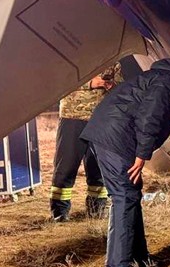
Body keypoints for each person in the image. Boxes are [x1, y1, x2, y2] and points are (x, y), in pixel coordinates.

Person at [80, 54, 170, 267]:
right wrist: (142, 154)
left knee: (131, 194)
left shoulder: (167, 79)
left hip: (115, 134)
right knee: (124, 196)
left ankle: (138, 260)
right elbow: (149, 117)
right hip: (115, 137)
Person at [50, 63, 123, 222]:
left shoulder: (113, 59)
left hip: (100, 119)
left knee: (98, 167)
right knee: (66, 165)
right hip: (72, 117)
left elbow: (120, 83)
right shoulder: (75, 56)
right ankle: (60, 213)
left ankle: (97, 211)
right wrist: (90, 83)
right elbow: (60, 79)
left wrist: (113, 85)